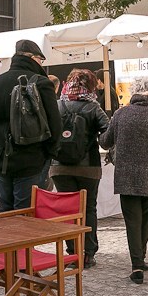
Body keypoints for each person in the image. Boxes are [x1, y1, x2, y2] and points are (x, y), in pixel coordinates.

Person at [100, 76, 148, 284]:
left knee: (132, 222)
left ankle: (137, 264)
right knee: (146, 219)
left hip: (126, 177)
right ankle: (140, 259)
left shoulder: (120, 114)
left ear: (134, 91)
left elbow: (105, 142)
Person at [0, 39, 60, 211]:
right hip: (31, 157)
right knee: (25, 213)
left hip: (0, 158)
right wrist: (48, 153)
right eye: (41, 60)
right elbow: (55, 124)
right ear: (34, 58)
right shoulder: (42, 83)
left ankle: (6, 238)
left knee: (4, 210)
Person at [50, 69, 110, 269]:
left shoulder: (56, 105)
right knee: (88, 208)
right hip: (88, 167)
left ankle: (72, 252)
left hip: (59, 167)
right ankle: (88, 253)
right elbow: (107, 135)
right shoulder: (93, 108)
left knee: (67, 210)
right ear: (91, 86)